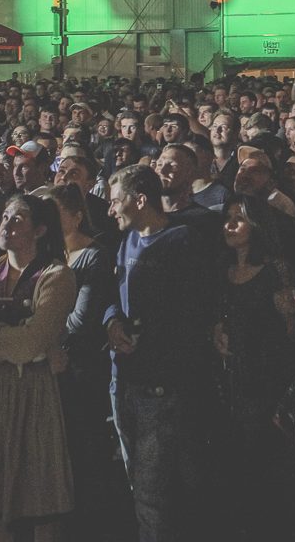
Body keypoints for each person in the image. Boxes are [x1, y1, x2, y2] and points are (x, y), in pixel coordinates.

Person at [105, 164, 217, 542]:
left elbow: (193, 313)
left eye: (116, 201)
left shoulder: (183, 240)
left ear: (140, 200)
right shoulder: (127, 240)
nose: (110, 210)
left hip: (160, 387)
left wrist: (149, 339)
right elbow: (113, 294)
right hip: (124, 377)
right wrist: (112, 322)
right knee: (136, 482)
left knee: (153, 491)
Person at [0, 194, 77, 541]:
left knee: (40, 497)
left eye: (18, 219)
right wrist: (19, 344)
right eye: (5, 217)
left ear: (40, 230)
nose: (7, 225)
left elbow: (31, 342)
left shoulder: (56, 275)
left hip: (36, 395)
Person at [214, 195, 295, 540]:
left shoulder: (275, 270)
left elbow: (292, 330)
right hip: (232, 378)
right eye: (227, 217)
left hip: (267, 380)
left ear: (257, 225)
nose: (230, 225)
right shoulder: (222, 269)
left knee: (264, 462)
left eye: (239, 218)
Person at [38, 184, 119, 542]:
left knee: (84, 447)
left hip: (81, 367)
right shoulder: (51, 255)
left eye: (55, 215)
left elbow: (82, 319)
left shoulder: (93, 256)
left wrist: (43, 335)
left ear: (76, 216)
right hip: (53, 363)